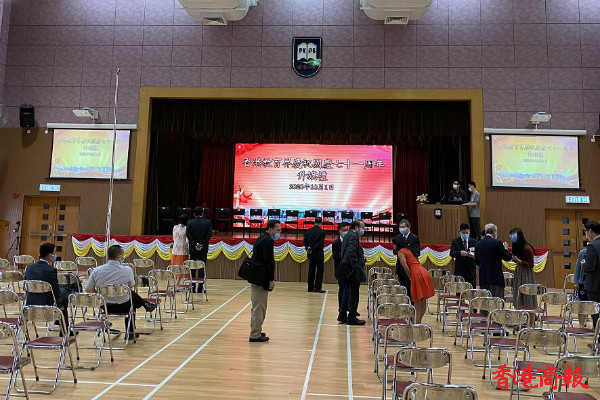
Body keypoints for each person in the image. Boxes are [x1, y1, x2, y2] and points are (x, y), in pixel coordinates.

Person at [86, 245, 156, 340]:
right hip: (124, 305)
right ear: (119, 257)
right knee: (132, 300)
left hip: (105, 305)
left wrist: (100, 295)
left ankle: (145, 304)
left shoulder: (97, 270)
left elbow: (88, 289)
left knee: (131, 296)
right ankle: (130, 331)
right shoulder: (127, 269)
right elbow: (131, 285)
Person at [249, 219, 280, 342]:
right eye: (277, 230)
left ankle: (256, 330)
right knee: (259, 307)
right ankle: (255, 335)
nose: (279, 233)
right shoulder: (268, 241)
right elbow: (269, 262)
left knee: (258, 306)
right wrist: (271, 279)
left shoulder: (261, 238)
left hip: (256, 276)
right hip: (261, 278)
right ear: (270, 229)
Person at [25, 243, 69, 329]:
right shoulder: (51, 270)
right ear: (50, 256)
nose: (55, 255)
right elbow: (56, 292)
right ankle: (64, 328)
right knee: (64, 297)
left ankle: (59, 320)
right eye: (54, 253)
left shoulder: (29, 268)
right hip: (46, 303)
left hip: (30, 302)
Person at [396, 240, 435, 323]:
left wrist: (410, 277)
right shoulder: (409, 250)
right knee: (423, 299)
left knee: (417, 299)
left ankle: (416, 322)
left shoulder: (401, 252)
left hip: (416, 273)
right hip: (423, 271)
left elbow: (405, 266)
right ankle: (419, 321)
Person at [338, 219, 367, 325]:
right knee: (353, 295)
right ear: (356, 227)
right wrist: (356, 267)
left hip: (345, 269)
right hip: (352, 271)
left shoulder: (347, 235)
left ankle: (342, 315)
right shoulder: (354, 236)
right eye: (362, 227)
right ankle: (352, 318)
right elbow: (351, 252)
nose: (363, 230)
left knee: (346, 293)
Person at [474, 223, 513, 299]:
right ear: (494, 231)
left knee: (485, 303)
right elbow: (507, 257)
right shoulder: (497, 243)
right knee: (497, 303)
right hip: (496, 279)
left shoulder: (478, 244)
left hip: (483, 278)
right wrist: (505, 249)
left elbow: (477, 262)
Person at [509, 228, 537, 309]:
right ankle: (519, 310)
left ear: (520, 235)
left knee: (526, 293)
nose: (512, 237)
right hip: (519, 271)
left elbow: (531, 264)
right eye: (511, 235)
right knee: (518, 292)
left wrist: (519, 261)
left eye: (514, 235)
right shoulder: (516, 246)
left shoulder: (527, 248)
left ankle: (529, 311)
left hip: (526, 273)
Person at [186, 206, 212, 293]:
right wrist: (202, 244)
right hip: (203, 248)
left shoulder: (190, 222)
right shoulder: (207, 222)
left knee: (192, 267)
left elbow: (188, 234)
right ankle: (200, 288)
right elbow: (209, 234)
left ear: (194, 213)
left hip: (193, 248)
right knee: (201, 268)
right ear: (202, 213)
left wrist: (195, 244)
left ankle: (192, 287)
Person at [392, 219, 419, 298]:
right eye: (400, 227)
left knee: (410, 289)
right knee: (402, 289)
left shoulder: (414, 238)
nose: (401, 229)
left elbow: (416, 253)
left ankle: (411, 303)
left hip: (410, 268)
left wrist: (405, 247)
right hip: (400, 268)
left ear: (408, 227)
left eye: (403, 227)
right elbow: (395, 251)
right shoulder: (398, 237)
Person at [582, 221, 600, 327]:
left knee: (596, 313)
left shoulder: (592, 246)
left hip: (594, 285)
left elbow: (590, 267)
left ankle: (597, 334)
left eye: (586, 231)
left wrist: (583, 264)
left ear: (590, 231)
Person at [449, 223, 477, 288]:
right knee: (459, 290)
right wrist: (460, 253)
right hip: (460, 270)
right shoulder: (455, 241)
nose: (465, 234)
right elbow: (451, 253)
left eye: (467, 233)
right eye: (463, 233)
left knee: (471, 290)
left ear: (469, 231)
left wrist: (474, 254)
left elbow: (478, 253)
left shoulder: (474, 241)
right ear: (460, 231)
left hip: (471, 270)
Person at [304, 217, 326, 293]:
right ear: (321, 223)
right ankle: (318, 287)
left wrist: (308, 248)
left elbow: (305, 242)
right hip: (318, 253)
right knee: (320, 270)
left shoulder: (308, 231)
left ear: (314, 222)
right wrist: (312, 248)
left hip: (310, 253)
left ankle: (310, 288)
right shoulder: (322, 232)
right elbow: (320, 243)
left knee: (311, 270)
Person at [333, 222, 350, 322]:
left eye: (347, 230)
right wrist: (344, 254)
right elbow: (335, 256)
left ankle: (347, 309)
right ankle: (341, 310)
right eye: (344, 230)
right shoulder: (336, 243)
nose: (346, 232)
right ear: (339, 231)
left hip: (348, 270)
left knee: (347, 291)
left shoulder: (349, 241)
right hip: (340, 270)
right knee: (342, 290)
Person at [574, 248, 588, 327]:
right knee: (582, 305)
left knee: (595, 305)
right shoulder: (582, 253)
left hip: (595, 283)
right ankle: (581, 325)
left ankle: (595, 325)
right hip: (583, 283)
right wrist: (576, 281)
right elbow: (577, 268)